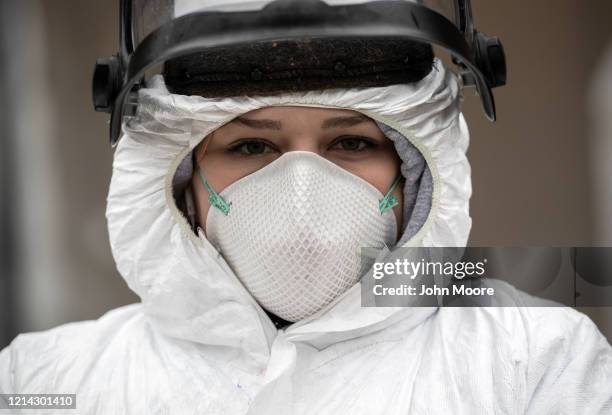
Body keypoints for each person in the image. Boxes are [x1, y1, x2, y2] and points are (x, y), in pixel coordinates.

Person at [2, 1, 612, 413]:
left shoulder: (534, 364)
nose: (300, 187)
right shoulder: (51, 385)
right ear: (180, 182)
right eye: (250, 145)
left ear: (416, 175)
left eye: (351, 142)